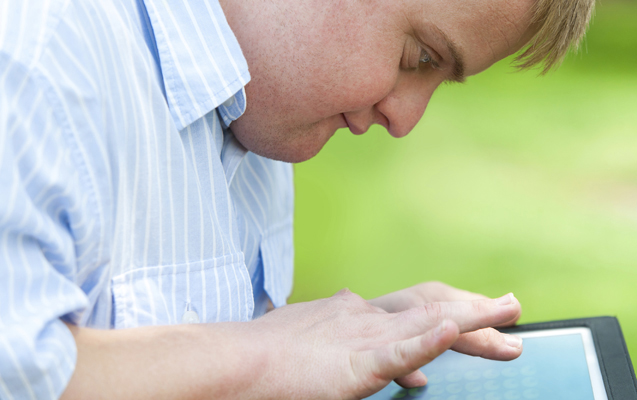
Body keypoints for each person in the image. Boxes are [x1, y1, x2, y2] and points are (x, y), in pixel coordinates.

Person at [0, 0, 593, 397]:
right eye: (420, 58)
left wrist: (348, 337)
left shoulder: (260, 113)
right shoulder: (38, 56)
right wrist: (262, 355)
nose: (406, 117)